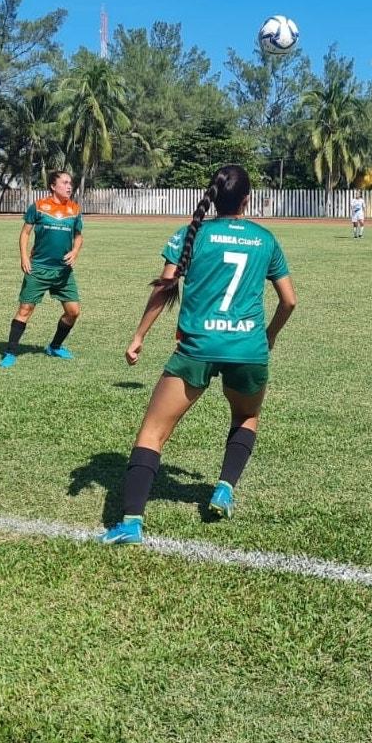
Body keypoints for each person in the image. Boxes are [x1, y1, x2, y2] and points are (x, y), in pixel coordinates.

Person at [101, 165, 296, 544]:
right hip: (248, 350)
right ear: (246, 199)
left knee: (153, 433)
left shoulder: (191, 234)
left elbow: (163, 288)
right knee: (245, 415)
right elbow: (289, 302)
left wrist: (139, 335)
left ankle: (130, 522)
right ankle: (224, 486)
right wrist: (268, 336)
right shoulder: (265, 239)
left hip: (197, 348)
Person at [0, 171, 84, 368]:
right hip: (38, 268)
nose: (69, 186)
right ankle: (10, 351)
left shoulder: (74, 209)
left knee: (73, 312)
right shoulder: (38, 207)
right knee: (25, 309)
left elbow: (79, 236)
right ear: (53, 186)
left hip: (63, 271)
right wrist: (23, 256)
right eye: (65, 183)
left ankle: (54, 346)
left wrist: (75, 251)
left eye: (70, 183)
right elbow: (25, 233)